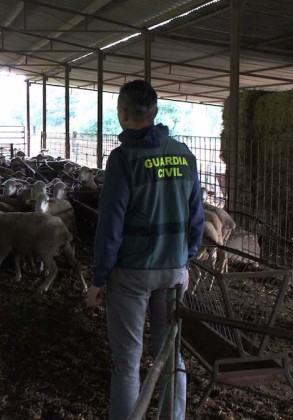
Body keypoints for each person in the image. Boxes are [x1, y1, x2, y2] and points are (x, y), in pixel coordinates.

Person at [87, 80, 204, 420]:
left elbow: (111, 224)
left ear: (122, 114)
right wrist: (186, 260)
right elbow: (196, 217)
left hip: (133, 273)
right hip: (173, 270)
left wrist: (99, 278)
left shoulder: (124, 159)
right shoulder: (184, 154)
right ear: (154, 113)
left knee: (127, 362)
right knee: (171, 355)